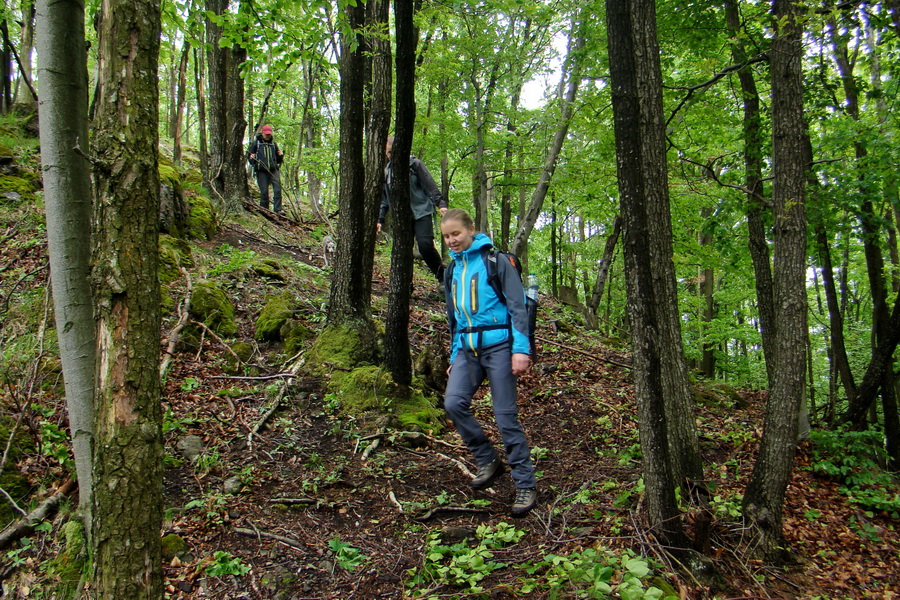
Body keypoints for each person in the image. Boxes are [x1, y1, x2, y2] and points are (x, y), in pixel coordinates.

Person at [440, 208, 537, 517]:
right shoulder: (451, 270)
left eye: (456, 233)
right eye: (446, 236)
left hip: (499, 347)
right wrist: (456, 354)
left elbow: (517, 305)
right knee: (453, 403)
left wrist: (521, 349)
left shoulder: (496, 261)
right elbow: (454, 318)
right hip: (467, 351)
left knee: (505, 416)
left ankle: (525, 484)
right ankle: (487, 458)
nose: (451, 240)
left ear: (471, 230)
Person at [377, 136, 448, 282]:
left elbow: (429, 184)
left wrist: (440, 203)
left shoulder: (414, 164)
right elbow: (384, 200)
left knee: (425, 246)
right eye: (389, 153)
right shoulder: (387, 172)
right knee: (402, 252)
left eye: (392, 152)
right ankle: (405, 286)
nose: (390, 156)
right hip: (402, 218)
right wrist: (380, 219)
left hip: (422, 211)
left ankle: (444, 278)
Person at [248, 125, 284, 213]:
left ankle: (278, 209)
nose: (268, 136)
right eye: (266, 134)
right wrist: (253, 161)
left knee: (277, 189)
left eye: (269, 134)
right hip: (261, 170)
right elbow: (249, 157)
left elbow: (278, 160)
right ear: (262, 133)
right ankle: (264, 209)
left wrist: (280, 156)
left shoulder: (273, 144)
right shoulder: (256, 144)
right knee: (264, 191)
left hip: (273, 169)